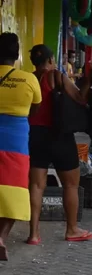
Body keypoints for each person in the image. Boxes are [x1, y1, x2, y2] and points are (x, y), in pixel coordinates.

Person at [26, 44, 92, 245]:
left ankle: (34, 234)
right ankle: (72, 229)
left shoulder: (29, 79)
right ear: (51, 60)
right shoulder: (56, 76)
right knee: (71, 184)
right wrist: (89, 80)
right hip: (60, 135)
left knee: (36, 186)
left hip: (35, 135)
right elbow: (81, 98)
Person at [0, 32, 41, 261]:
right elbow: (34, 110)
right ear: (16, 55)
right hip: (16, 142)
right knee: (14, 192)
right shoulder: (28, 79)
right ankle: (2, 236)